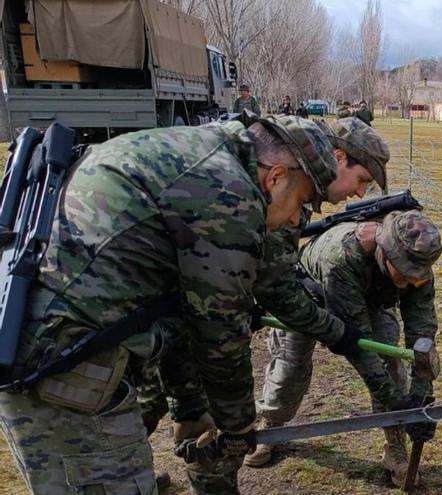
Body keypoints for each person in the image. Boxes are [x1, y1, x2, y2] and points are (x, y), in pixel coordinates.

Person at [0, 115, 367, 495]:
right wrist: (238, 426)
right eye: (302, 202)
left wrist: (189, 407)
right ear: (275, 177)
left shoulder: (197, 152)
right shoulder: (228, 193)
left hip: (50, 344)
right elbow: (220, 334)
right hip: (62, 369)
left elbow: (183, 314)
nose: (295, 219)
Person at [246, 210, 442, 488]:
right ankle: (272, 426)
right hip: (309, 299)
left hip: (369, 300)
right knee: (290, 367)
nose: (413, 280)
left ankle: (394, 445)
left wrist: (420, 400)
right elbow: (359, 349)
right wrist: (397, 401)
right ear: (385, 253)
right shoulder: (343, 256)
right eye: (406, 273)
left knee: (391, 361)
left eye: (418, 276)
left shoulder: (419, 266)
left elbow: (422, 337)